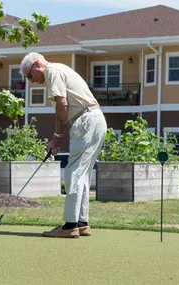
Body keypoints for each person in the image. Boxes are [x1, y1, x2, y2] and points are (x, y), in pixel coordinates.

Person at [20, 52, 107, 238]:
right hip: (95, 119)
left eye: (29, 76)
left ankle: (70, 226)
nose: (31, 82)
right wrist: (57, 138)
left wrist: (57, 136)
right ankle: (82, 223)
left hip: (85, 121)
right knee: (82, 173)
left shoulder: (51, 71)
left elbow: (62, 104)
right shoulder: (60, 68)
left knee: (73, 172)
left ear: (36, 64)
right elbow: (65, 108)